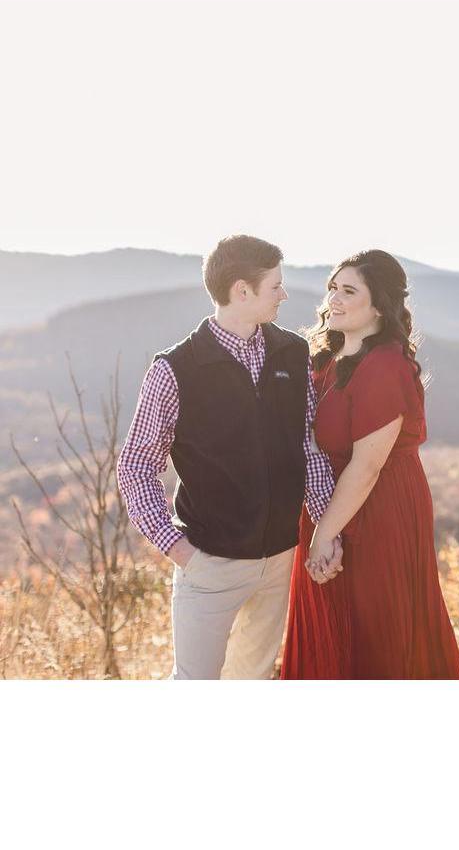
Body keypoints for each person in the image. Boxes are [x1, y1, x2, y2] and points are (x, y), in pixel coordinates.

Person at [116, 235, 342, 679]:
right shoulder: (175, 369)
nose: (284, 294)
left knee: (252, 681)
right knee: (195, 683)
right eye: (275, 286)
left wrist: (325, 527)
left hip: (280, 558)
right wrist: (178, 549)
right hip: (209, 563)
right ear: (242, 291)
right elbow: (137, 465)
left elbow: (308, 446)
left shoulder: (293, 353)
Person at [280, 249, 459, 679]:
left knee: (376, 635)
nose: (334, 299)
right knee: (329, 633)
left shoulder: (384, 366)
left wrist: (324, 535)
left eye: (349, 291)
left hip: (378, 511)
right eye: (332, 288)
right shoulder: (326, 360)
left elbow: (367, 467)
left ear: (379, 304)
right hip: (329, 509)